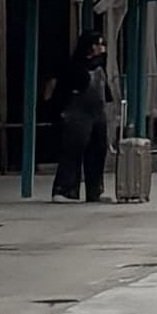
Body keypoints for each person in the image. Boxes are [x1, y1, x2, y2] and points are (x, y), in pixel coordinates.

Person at [48, 32, 112, 203]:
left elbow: (105, 94)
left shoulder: (100, 68)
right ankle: (65, 189)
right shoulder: (74, 68)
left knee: (98, 151)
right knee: (72, 151)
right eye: (98, 44)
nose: (102, 48)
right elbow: (61, 94)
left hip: (97, 116)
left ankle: (94, 190)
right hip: (77, 116)